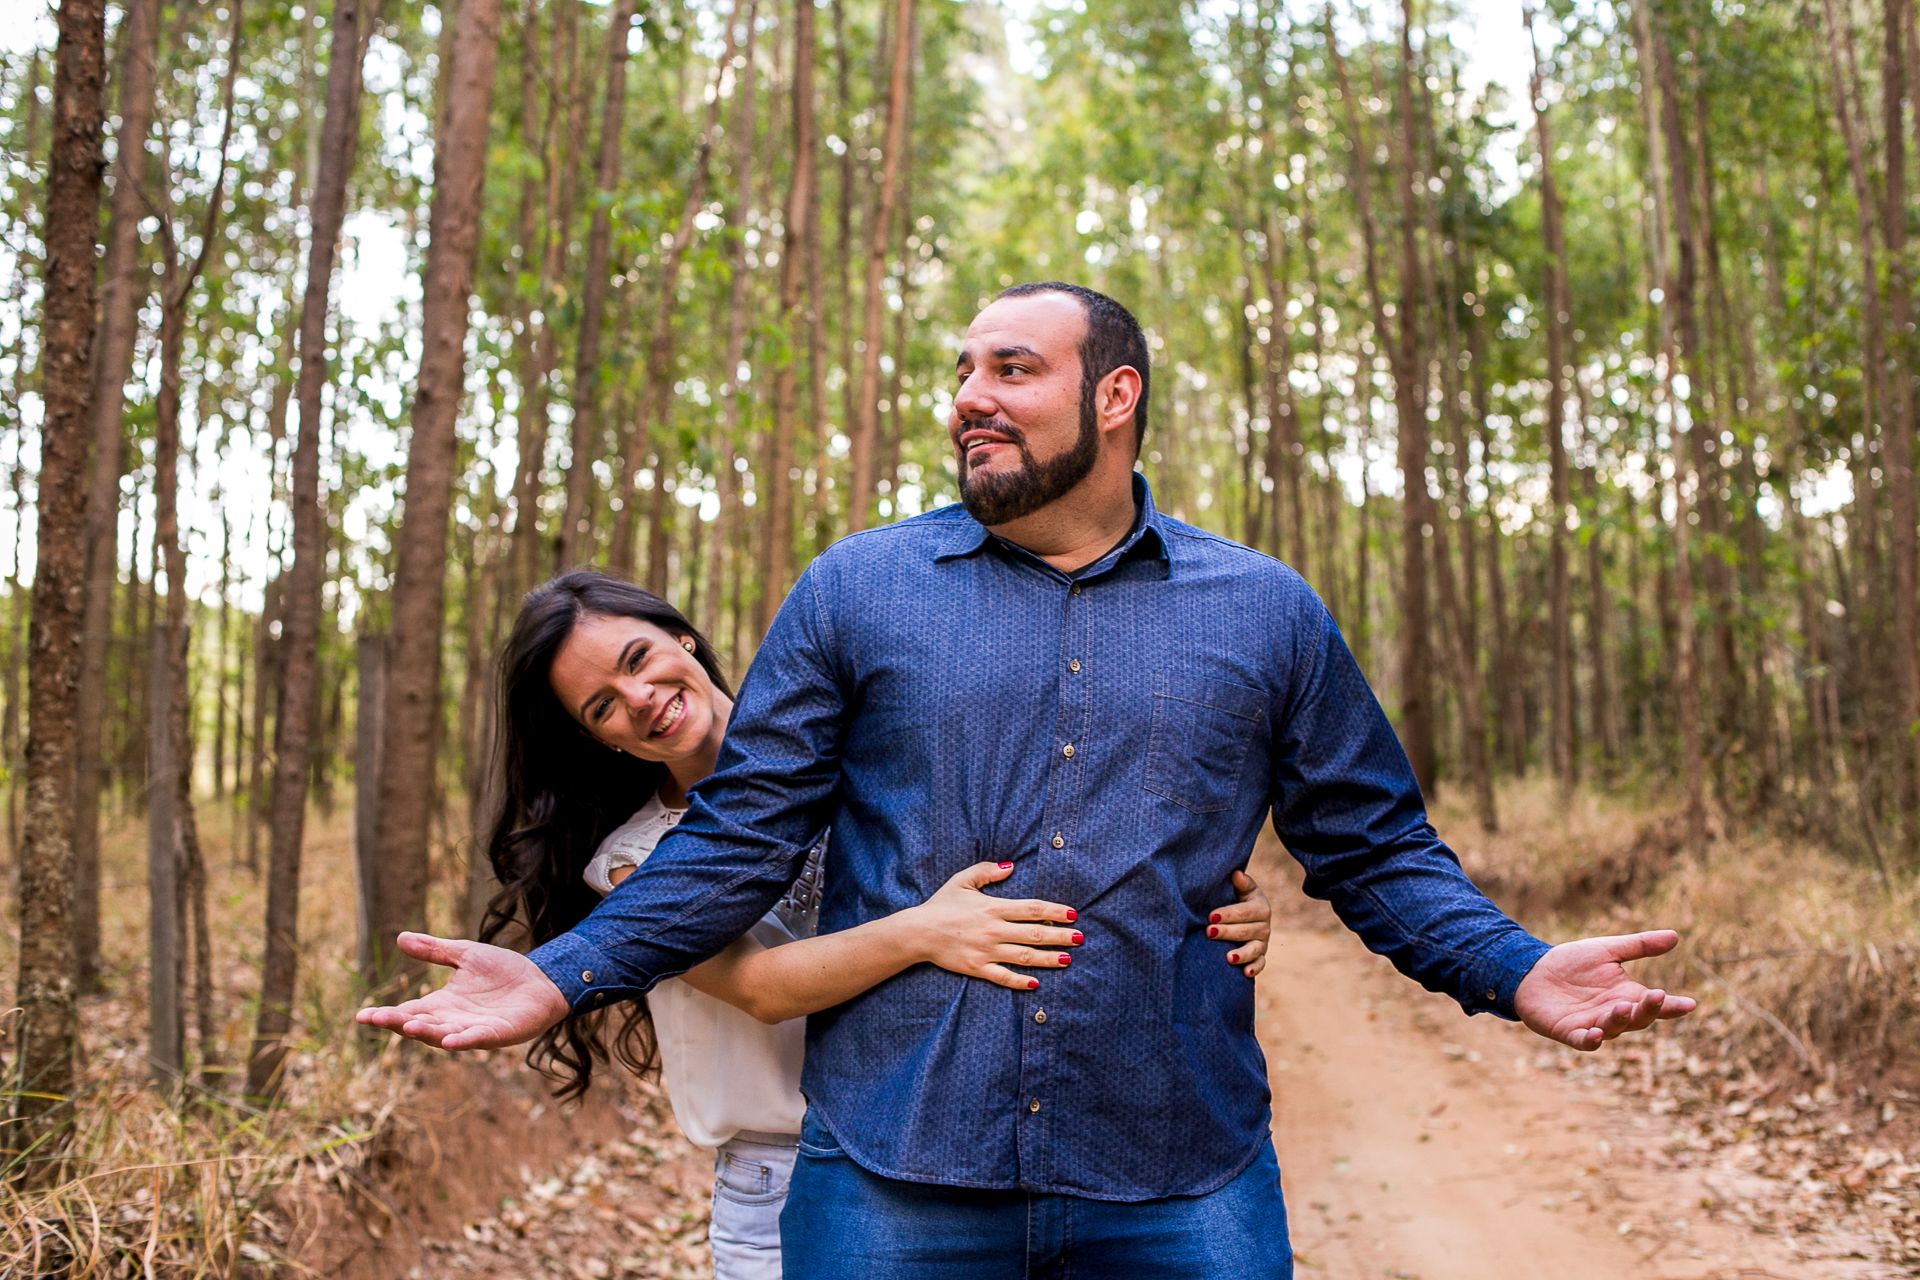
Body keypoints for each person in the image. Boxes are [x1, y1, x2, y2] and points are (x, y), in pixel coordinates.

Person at [362, 283, 1697, 1279]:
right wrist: (562, 973)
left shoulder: (1266, 613)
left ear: (1114, 396)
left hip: (1179, 1173)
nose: (969, 396)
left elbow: (1375, 846)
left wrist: (1514, 967)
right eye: (962, 372)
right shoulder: (854, 592)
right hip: (891, 1175)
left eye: (1012, 366)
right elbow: (735, 843)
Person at [473, 570, 1274, 1279]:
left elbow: (1025, 869)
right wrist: (923, 933)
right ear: (596, 739)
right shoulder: (634, 864)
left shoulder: (861, 761)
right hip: (780, 1168)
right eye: (604, 706)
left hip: (938, 1144)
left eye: (637, 659)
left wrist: (1204, 901)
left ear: (682, 637)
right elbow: (760, 988)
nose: (640, 699)